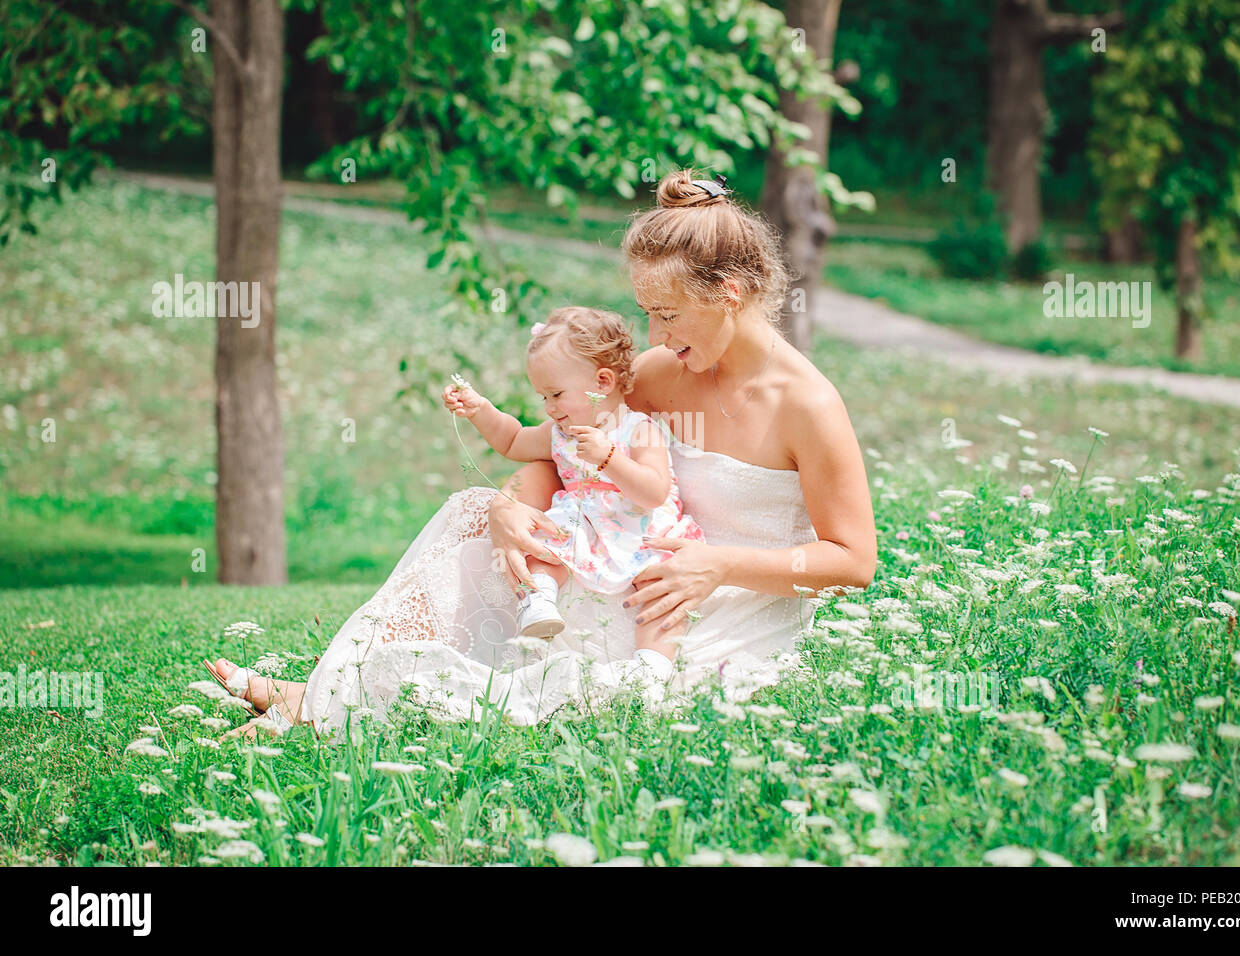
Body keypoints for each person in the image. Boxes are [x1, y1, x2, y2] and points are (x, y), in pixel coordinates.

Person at [202, 168, 878, 740]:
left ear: (729, 294)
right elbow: (563, 454)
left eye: (668, 315)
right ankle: (334, 691)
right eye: (647, 313)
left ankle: (321, 705)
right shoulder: (661, 371)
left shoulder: (808, 405)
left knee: (594, 694)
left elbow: (853, 562)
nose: (655, 334)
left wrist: (718, 566)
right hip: (629, 567)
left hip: (718, 610)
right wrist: (509, 505)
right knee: (472, 512)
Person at [441, 305, 706, 684]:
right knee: (545, 541)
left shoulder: (637, 428)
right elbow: (513, 440)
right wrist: (481, 410)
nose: (549, 407)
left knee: (658, 588)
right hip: (586, 521)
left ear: (602, 382)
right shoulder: (559, 432)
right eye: (543, 397)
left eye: (556, 394)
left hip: (641, 525)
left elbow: (654, 490)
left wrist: (609, 457)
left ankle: (652, 668)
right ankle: (539, 598)